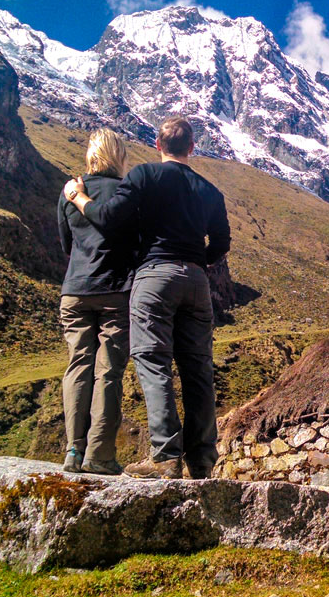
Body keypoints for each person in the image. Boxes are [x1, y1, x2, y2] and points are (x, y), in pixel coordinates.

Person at [63, 117, 230, 480]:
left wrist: (77, 197)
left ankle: (166, 457)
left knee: (154, 362)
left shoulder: (143, 176)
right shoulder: (211, 192)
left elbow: (107, 217)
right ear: (191, 147)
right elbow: (221, 244)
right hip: (197, 281)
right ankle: (201, 461)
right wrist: (199, 261)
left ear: (157, 144)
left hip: (154, 277)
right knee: (198, 367)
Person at [56, 128, 134, 476]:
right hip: (116, 291)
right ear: (118, 156)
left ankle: (74, 449)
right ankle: (100, 454)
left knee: (77, 365)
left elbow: (65, 245)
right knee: (108, 372)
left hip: (74, 290)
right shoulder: (127, 193)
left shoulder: (71, 192)